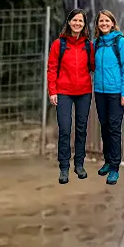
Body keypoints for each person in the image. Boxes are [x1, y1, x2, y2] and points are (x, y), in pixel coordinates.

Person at [47, 10, 95, 183]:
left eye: (80, 21)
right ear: (68, 22)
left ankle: (79, 164)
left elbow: (94, 66)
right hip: (64, 92)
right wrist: (52, 91)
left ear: (84, 24)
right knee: (65, 129)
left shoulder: (89, 46)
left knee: (81, 129)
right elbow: (52, 68)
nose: (77, 23)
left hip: (84, 92)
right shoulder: (58, 44)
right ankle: (64, 167)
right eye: (74, 20)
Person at [89, 9, 124, 184]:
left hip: (115, 92)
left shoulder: (120, 42)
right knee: (105, 126)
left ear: (112, 23)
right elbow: (90, 64)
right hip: (100, 91)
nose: (104, 24)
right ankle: (108, 160)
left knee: (114, 128)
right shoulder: (97, 44)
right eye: (101, 21)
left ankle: (115, 167)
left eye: (107, 21)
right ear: (98, 25)